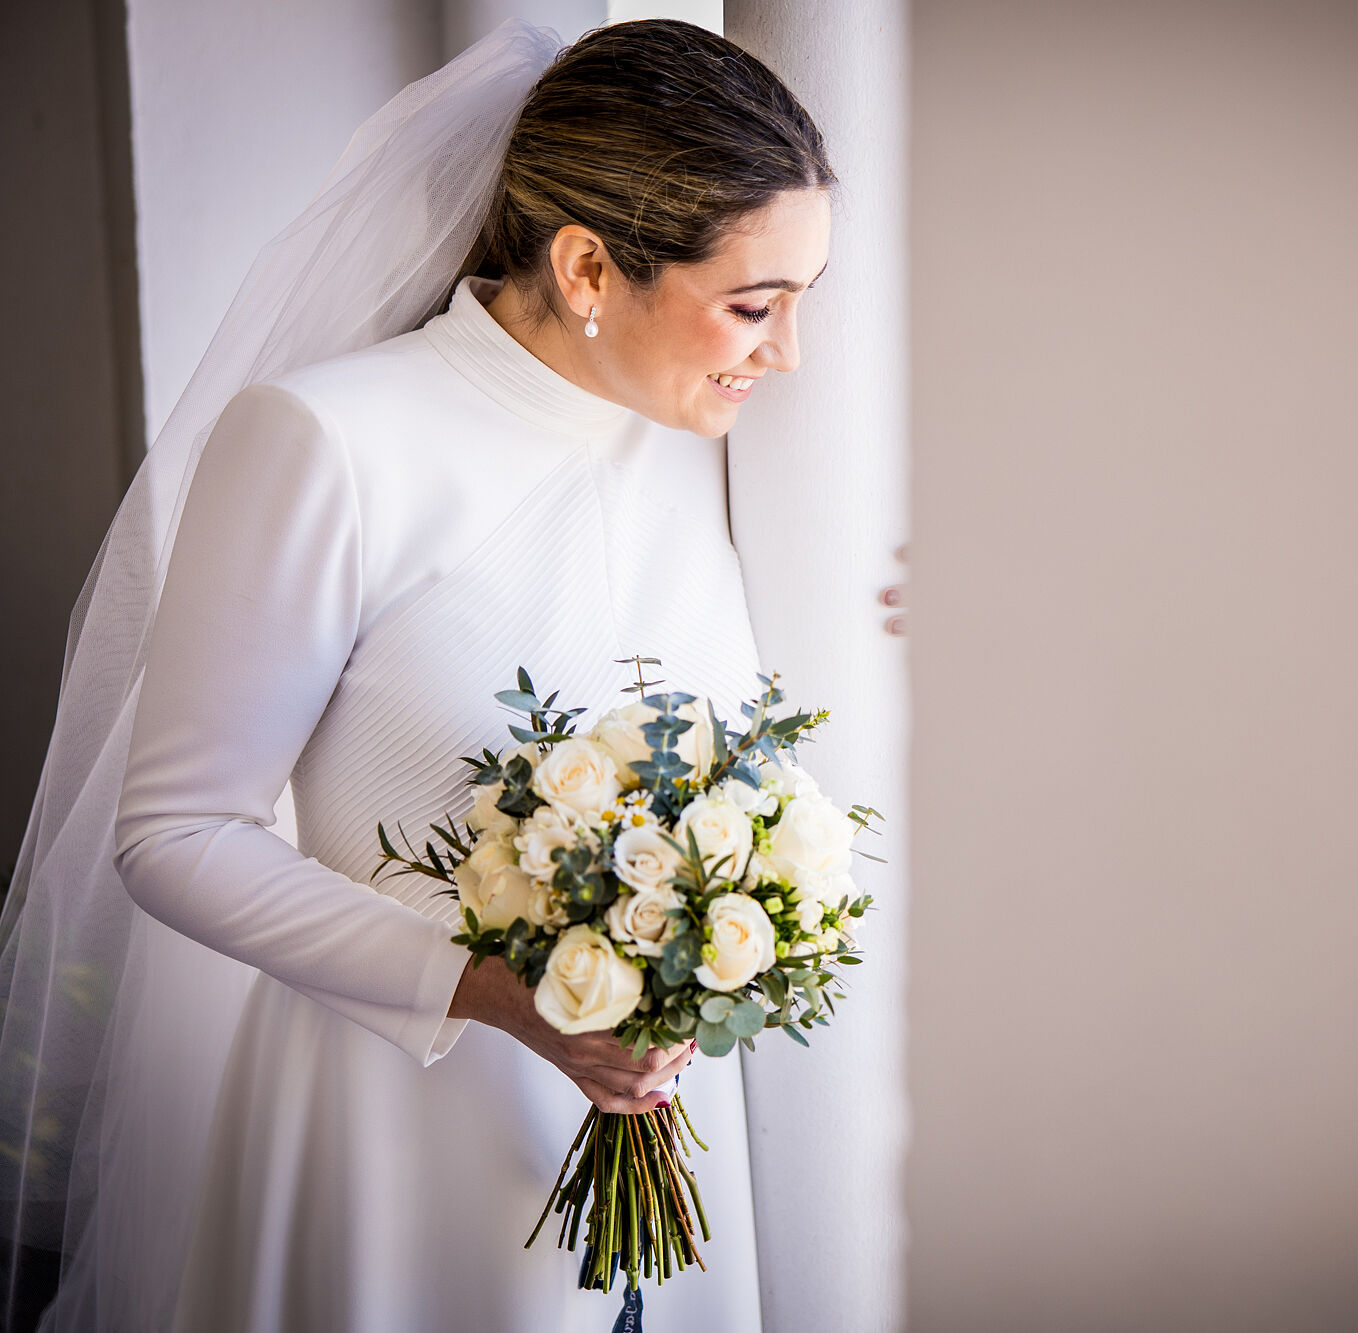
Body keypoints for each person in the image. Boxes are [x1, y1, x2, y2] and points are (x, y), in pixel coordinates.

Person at [0, 18, 832, 1332]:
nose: (786, 354)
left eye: (802, 300)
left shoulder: (678, 448)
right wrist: (498, 993)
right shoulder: (327, 441)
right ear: (586, 267)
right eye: (753, 304)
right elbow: (173, 833)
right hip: (392, 1148)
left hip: (663, 1149)